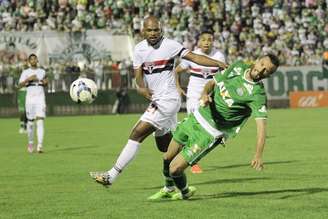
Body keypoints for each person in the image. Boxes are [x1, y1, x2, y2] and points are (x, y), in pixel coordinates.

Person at [90, 16, 227, 199]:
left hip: (168, 100)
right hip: (158, 99)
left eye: (156, 30)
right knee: (165, 147)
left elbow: (194, 57)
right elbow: (138, 75)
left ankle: (111, 175)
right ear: (143, 31)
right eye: (149, 30)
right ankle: (178, 185)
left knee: (136, 133)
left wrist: (217, 63)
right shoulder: (139, 49)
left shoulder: (170, 45)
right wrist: (141, 88)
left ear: (161, 30)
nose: (153, 34)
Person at [150, 53, 280, 200]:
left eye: (267, 71)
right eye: (262, 65)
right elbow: (212, 83)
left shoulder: (257, 95)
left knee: (174, 168)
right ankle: (168, 188)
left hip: (210, 133)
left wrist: (258, 155)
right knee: (167, 157)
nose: (262, 71)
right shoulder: (237, 67)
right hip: (196, 118)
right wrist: (205, 94)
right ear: (257, 61)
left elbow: (261, 128)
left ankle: (185, 192)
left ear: (269, 75)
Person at [175, 30, 226, 174]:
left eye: (209, 40)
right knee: (195, 130)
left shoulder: (218, 56)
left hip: (209, 99)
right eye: (203, 40)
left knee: (208, 131)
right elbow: (176, 71)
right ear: (199, 41)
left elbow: (222, 76)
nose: (206, 43)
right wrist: (178, 87)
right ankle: (192, 161)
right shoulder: (193, 55)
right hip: (193, 97)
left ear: (213, 41)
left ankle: (189, 154)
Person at [18, 54, 48, 153]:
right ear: (29, 61)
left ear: (37, 60)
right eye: (31, 59)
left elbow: (46, 83)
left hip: (40, 98)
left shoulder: (42, 71)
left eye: (35, 59)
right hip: (30, 99)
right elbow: (19, 85)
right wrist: (28, 79)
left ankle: (40, 145)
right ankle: (31, 143)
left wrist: (43, 81)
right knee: (30, 122)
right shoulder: (25, 72)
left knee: (40, 121)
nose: (33, 60)